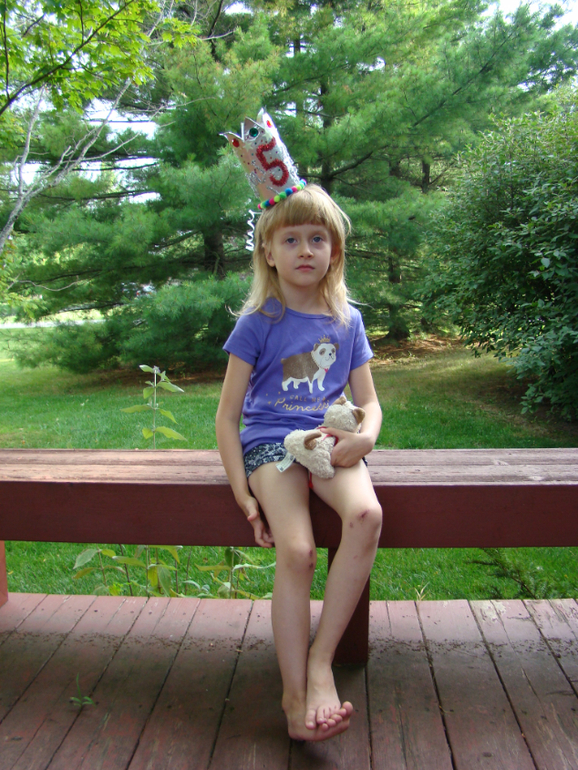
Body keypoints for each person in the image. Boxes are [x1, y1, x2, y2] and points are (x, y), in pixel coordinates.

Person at [215, 183, 382, 743]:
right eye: (291, 239)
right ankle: (293, 698)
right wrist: (243, 493)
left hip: (330, 439)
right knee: (298, 550)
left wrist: (365, 438)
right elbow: (227, 419)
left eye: (318, 238)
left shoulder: (346, 320)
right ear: (268, 251)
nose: (305, 250)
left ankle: (320, 662)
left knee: (367, 515)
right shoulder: (258, 322)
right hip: (271, 442)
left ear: (335, 251)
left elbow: (369, 402)